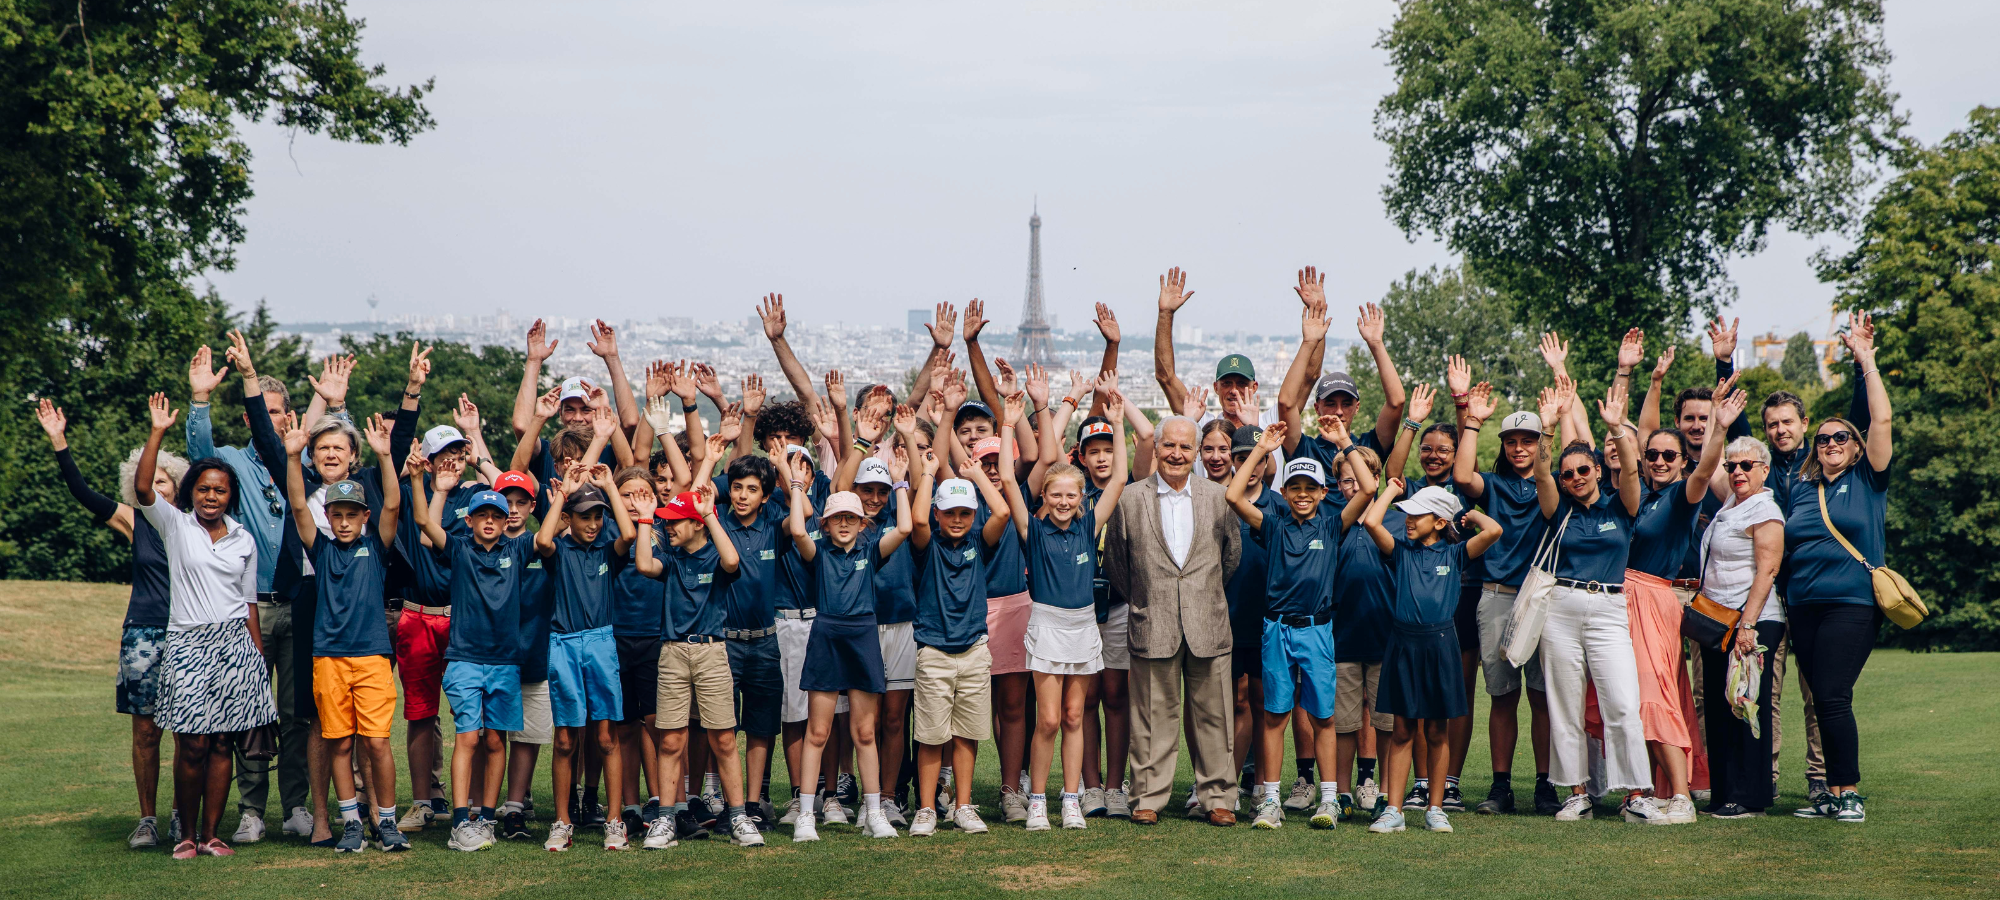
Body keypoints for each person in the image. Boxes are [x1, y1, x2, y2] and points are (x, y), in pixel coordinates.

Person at [185, 339, 346, 844]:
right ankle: (251, 809)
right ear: (250, 417)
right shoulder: (233, 463)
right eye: (264, 411)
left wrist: (335, 404)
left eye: (278, 412)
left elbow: (343, 457)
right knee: (250, 711)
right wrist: (200, 400)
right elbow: (200, 456)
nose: (270, 419)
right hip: (249, 607)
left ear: (289, 416)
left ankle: (295, 805)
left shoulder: (302, 466)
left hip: (301, 604)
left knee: (299, 713)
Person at [135, 392, 279, 860]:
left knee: (221, 743)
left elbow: (249, 604)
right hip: (189, 643)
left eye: (219, 490)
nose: (211, 497)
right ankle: (186, 834)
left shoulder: (243, 539)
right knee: (192, 743)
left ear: (230, 495)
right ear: (191, 492)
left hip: (236, 644)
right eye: (203, 489)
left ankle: (212, 835)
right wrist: (157, 432)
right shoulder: (175, 525)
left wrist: (258, 664)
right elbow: (143, 489)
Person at [38, 399, 187, 849]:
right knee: (146, 730)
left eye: (163, 480)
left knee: (188, 731)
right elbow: (82, 493)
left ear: (177, 486)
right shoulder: (133, 520)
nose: (156, 486)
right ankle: (147, 820)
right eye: (148, 479)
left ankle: (182, 816)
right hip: (143, 633)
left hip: (188, 632)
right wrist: (59, 442)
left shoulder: (194, 524)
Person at [1528, 380, 1664, 823]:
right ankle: (1577, 793)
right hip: (1561, 608)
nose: (1575, 478)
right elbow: (1542, 475)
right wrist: (1547, 431)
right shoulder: (1559, 509)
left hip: (1608, 609)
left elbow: (1632, 473)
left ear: (1597, 471)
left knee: (1622, 703)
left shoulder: (1619, 507)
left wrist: (1618, 430)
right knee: (1564, 705)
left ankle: (1635, 794)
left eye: (1583, 470)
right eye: (1568, 474)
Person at [1101, 416, 1243, 826]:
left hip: (1208, 622)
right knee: (1151, 717)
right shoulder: (1130, 499)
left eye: (1185, 447)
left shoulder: (1219, 496)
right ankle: (1147, 797)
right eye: (1169, 446)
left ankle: (1218, 797)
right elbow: (1117, 564)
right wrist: (1147, 598)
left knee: (1215, 716)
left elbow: (1230, 557)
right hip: (1152, 621)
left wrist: (1202, 594)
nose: (1177, 454)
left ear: (1196, 452)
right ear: (1156, 448)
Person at [1613, 367, 1738, 826]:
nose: (1661, 460)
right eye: (1653, 455)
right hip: (1622, 601)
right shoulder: (1639, 497)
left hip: (1653, 599)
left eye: (1670, 455)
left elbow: (1706, 470)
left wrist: (1719, 427)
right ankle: (1646, 791)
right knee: (1629, 696)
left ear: (1682, 461)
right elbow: (1634, 440)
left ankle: (1682, 795)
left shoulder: (1682, 498)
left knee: (1654, 693)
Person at [281, 414, 411, 852]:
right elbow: (298, 505)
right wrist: (293, 457)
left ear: (363, 516)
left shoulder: (376, 547)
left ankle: (387, 822)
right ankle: (351, 823)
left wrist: (385, 456)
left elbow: (392, 505)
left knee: (377, 742)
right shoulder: (320, 550)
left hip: (372, 657)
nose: (343, 521)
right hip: (329, 659)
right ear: (328, 516)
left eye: (351, 514)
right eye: (336, 514)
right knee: (338, 743)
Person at [1785, 312, 1892, 825]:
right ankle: (1829, 793)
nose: (1830, 444)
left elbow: (1881, 422)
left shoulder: (1869, 479)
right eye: (1823, 439)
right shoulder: (1802, 489)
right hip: (1803, 606)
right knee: (1822, 700)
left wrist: (1866, 362)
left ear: (1855, 445)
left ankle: (1848, 791)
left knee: (1832, 695)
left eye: (1840, 438)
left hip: (1851, 604)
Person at [1009, 390, 1129, 832]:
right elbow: (1009, 483)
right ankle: (1038, 801)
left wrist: (1118, 424)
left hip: (1083, 628)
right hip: (1047, 627)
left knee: (1076, 717)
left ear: (1081, 498)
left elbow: (1119, 478)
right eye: (1055, 494)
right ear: (1044, 495)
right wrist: (1007, 423)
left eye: (1070, 495)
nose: (1063, 502)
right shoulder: (1033, 530)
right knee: (1048, 719)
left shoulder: (1088, 526)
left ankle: (1072, 800)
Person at [1225, 418, 1351, 832]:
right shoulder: (1273, 525)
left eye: (1310, 488)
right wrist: (1262, 450)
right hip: (1276, 629)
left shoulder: (1331, 526)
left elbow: (1368, 490)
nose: (1302, 494)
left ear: (1323, 493)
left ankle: (1329, 799)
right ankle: (1271, 800)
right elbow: (1233, 495)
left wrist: (1345, 442)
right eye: (1295, 487)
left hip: (1316, 630)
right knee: (1276, 715)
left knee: (1323, 717)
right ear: (1283, 492)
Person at [782, 451, 915, 841]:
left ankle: (874, 813)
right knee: (818, 731)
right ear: (825, 524)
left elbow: (905, 527)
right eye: (837, 518)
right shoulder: (819, 552)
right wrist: (795, 484)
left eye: (851, 518)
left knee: (865, 732)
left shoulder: (871, 551)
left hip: (863, 637)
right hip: (826, 637)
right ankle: (807, 815)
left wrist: (901, 482)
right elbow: (797, 531)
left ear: (863, 524)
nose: (844, 524)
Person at [1360, 481, 1503, 834]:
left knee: (1438, 731)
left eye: (1416, 515)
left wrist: (1470, 516)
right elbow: (1372, 522)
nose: (1407, 520)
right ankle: (1394, 810)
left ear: (1439, 521)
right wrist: (1391, 492)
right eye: (1406, 514)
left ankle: (1436, 809)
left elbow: (1494, 530)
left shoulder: (1455, 554)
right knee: (1402, 730)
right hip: (1403, 646)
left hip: (1441, 646)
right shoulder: (1401, 551)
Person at [416, 457, 534, 852]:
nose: (489, 521)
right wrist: (435, 488)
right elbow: (425, 523)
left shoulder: (516, 549)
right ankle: (460, 822)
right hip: (465, 660)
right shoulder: (460, 549)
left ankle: (486, 819)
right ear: (469, 520)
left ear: (505, 521)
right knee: (467, 739)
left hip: (505, 663)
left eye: (496, 515)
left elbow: (548, 535)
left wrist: (563, 495)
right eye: (481, 514)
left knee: (496, 741)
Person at [637, 485, 762, 848]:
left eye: (675, 522)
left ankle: (738, 817)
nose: (668, 527)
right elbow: (644, 564)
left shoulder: (716, 555)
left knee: (723, 738)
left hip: (711, 652)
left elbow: (732, 561)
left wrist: (709, 513)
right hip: (673, 654)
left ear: (696, 524)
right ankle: (666, 819)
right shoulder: (671, 559)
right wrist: (645, 518)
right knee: (671, 739)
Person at [1453, 384, 1554, 814]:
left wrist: (1552, 429)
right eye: (1512, 441)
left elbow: (1551, 495)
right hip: (1496, 595)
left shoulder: (1551, 483)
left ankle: (1546, 785)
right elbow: (1462, 476)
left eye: (1528, 441)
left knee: (1542, 696)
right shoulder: (1493, 484)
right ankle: (1501, 787)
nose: (1519, 448)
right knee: (1502, 695)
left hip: (1540, 598)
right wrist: (1473, 421)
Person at [534, 465, 638, 851]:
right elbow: (542, 538)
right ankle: (562, 822)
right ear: (569, 518)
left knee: (607, 736)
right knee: (565, 739)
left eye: (598, 516)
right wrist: (563, 494)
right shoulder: (558, 551)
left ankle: (614, 820)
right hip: (563, 644)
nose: (593, 524)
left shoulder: (608, 551)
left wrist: (609, 484)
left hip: (601, 643)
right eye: (585, 517)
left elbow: (629, 534)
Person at [906, 455, 1009, 836]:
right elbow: (917, 521)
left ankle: (963, 806)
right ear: (937, 513)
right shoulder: (926, 544)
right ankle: (927, 809)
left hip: (974, 650)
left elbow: (1002, 512)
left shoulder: (979, 543)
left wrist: (977, 475)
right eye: (949, 512)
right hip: (933, 651)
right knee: (932, 736)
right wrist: (929, 473)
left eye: (965, 513)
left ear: (974, 515)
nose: (956, 519)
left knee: (966, 733)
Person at [1698, 437, 1787, 818]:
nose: (1737, 471)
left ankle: (1751, 796)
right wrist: (1719, 423)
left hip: (1752, 620)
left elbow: (1768, 570)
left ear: (1764, 470)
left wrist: (1748, 626)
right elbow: (1709, 460)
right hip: (1719, 619)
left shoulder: (1764, 509)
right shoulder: (1732, 504)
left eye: (1746, 465)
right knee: (1721, 707)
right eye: (1731, 466)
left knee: (1746, 705)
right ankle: (1724, 793)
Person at [713, 451, 788, 831]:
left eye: (752, 489)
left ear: (766, 496)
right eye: (737, 487)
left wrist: (785, 469)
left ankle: (755, 804)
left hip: (765, 642)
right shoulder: (716, 524)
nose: (742, 495)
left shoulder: (774, 526)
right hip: (724, 642)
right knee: (722, 727)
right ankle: (731, 806)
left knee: (761, 727)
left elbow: (801, 514)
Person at [498, 470, 557, 841]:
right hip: (490, 658)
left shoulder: (543, 546)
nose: (513, 509)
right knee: (488, 737)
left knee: (526, 737)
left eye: (521, 502)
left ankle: (515, 807)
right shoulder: (481, 545)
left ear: (534, 506)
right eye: (507, 502)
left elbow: (550, 536)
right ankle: (480, 806)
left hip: (534, 654)